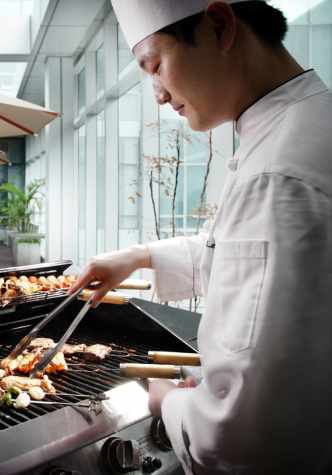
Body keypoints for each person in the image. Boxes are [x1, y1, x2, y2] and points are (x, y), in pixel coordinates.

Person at [70, 1, 332, 473]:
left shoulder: (277, 172)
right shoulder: (307, 123)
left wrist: (167, 402)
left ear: (219, 25)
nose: (157, 94)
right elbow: (241, 255)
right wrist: (139, 255)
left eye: (155, 65)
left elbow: (244, 435)